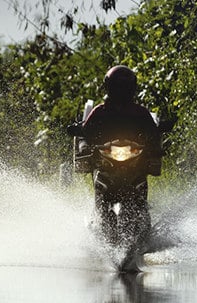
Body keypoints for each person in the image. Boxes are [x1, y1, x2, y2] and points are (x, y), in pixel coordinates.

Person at [69, 65, 162, 245]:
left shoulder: (140, 112)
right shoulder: (100, 111)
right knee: (101, 199)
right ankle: (101, 230)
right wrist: (85, 144)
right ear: (109, 87)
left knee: (140, 197)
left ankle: (142, 234)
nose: (121, 92)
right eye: (117, 87)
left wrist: (155, 146)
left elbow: (153, 133)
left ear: (132, 89)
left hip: (135, 165)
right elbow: (86, 132)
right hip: (105, 163)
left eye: (124, 87)